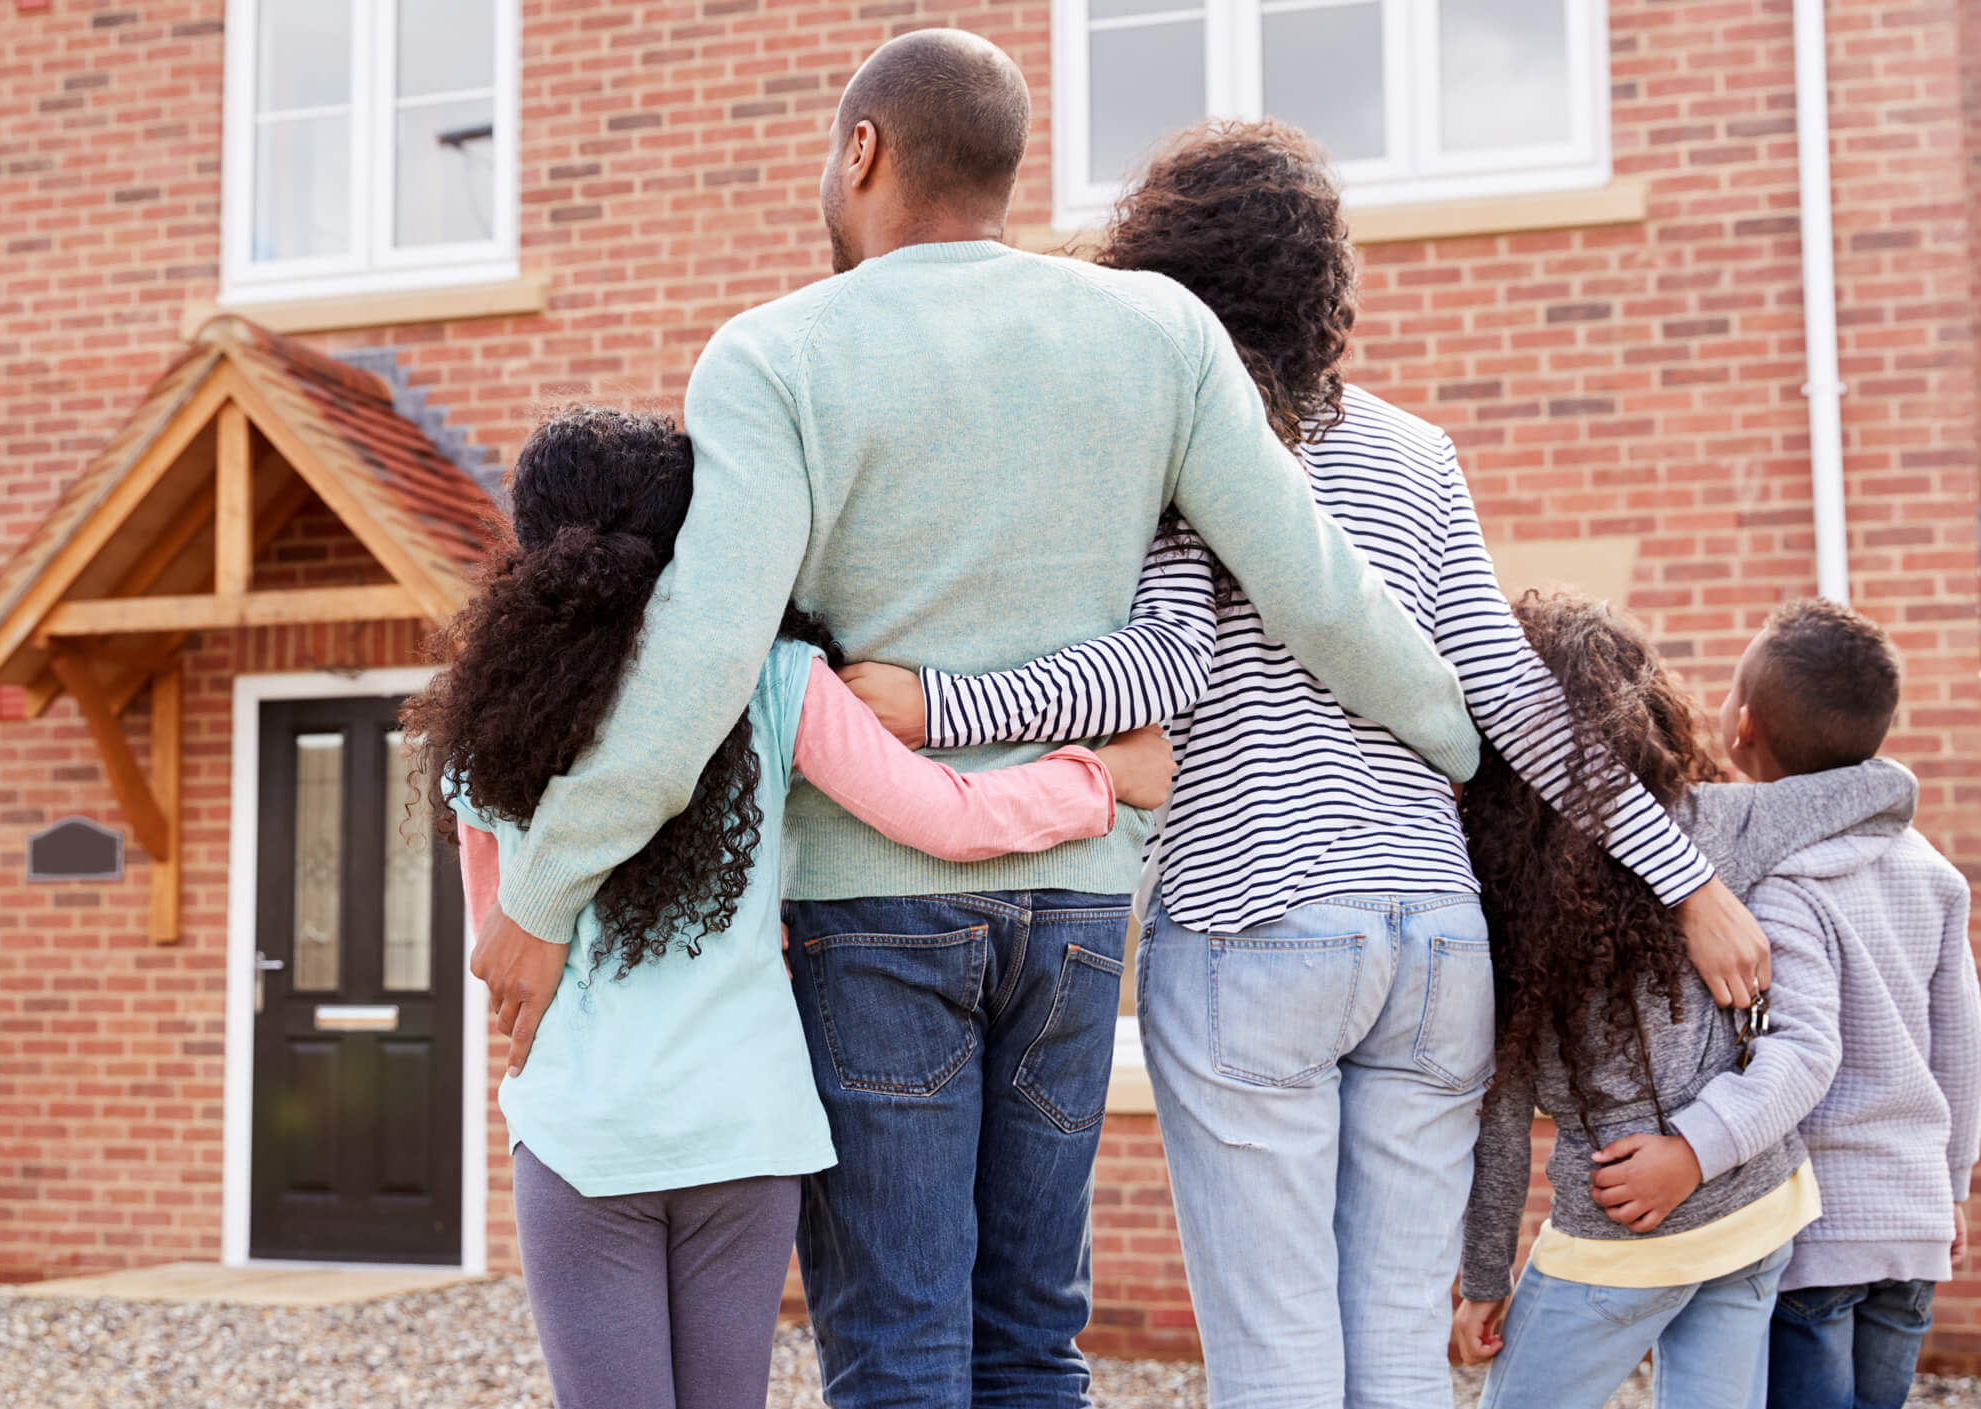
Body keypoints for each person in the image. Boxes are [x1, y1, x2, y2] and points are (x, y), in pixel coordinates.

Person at [465, 34, 1487, 1409]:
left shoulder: (775, 356)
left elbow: (706, 663)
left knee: (900, 1346)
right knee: (1029, 1341)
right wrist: (1463, 744)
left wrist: (545, 888)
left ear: (863, 152)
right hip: (1070, 911)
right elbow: (1323, 594)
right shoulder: (1160, 334)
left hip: (874, 919)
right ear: (1005, 170)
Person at [839, 120, 1772, 1409]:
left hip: (1254, 922)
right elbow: (1510, 691)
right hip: (1434, 945)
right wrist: (1690, 883)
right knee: (1394, 1359)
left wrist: (937, 702)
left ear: (1163, 264)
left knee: (1275, 1362)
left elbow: (1158, 668)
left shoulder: (1183, 440)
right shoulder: (1415, 453)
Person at [405, 408, 1177, 1409]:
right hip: (745, 1129)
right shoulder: (774, 680)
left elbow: (503, 952)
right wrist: (1106, 776)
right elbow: (946, 816)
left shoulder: (485, 720)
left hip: (583, 1132)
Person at [1449, 592, 1926, 1409]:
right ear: (1652, 719)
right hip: (1758, 1209)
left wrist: (1486, 1276)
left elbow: (1500, 1114)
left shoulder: (1499, 902)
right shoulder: (1719, 826)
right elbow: (1884, 785)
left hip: (1624, 1235)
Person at [1715, 601, 1980, 1409]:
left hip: (1818, 1229)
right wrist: (1953, 1185)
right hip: (1912, 1217)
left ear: (1745, 724)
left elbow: (1800, 1050)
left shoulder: (1785, 880)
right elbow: (1961, 1049)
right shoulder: (1934, 872)